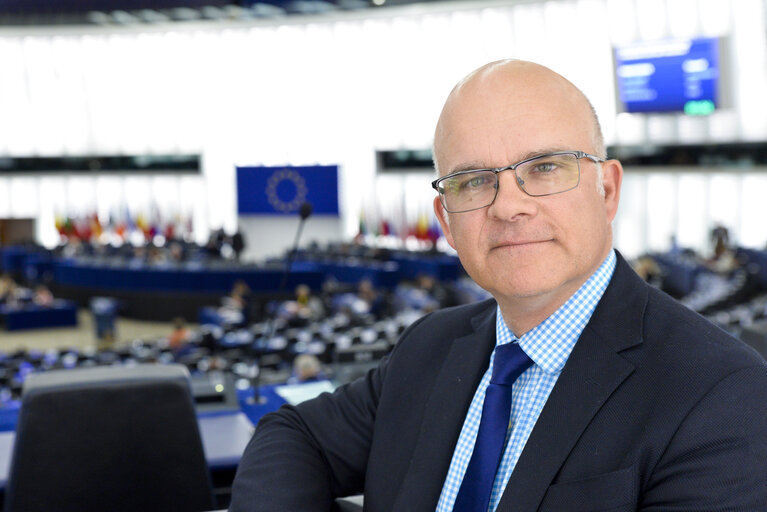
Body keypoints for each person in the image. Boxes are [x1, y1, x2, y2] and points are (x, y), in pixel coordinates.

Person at [230, 60, 767, 511]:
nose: (509, 206)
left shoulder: (722, 394)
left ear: (606, 190)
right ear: (446, 221)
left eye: (547, 167)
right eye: (473, 181)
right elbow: (294, 435)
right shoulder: (429, 348)